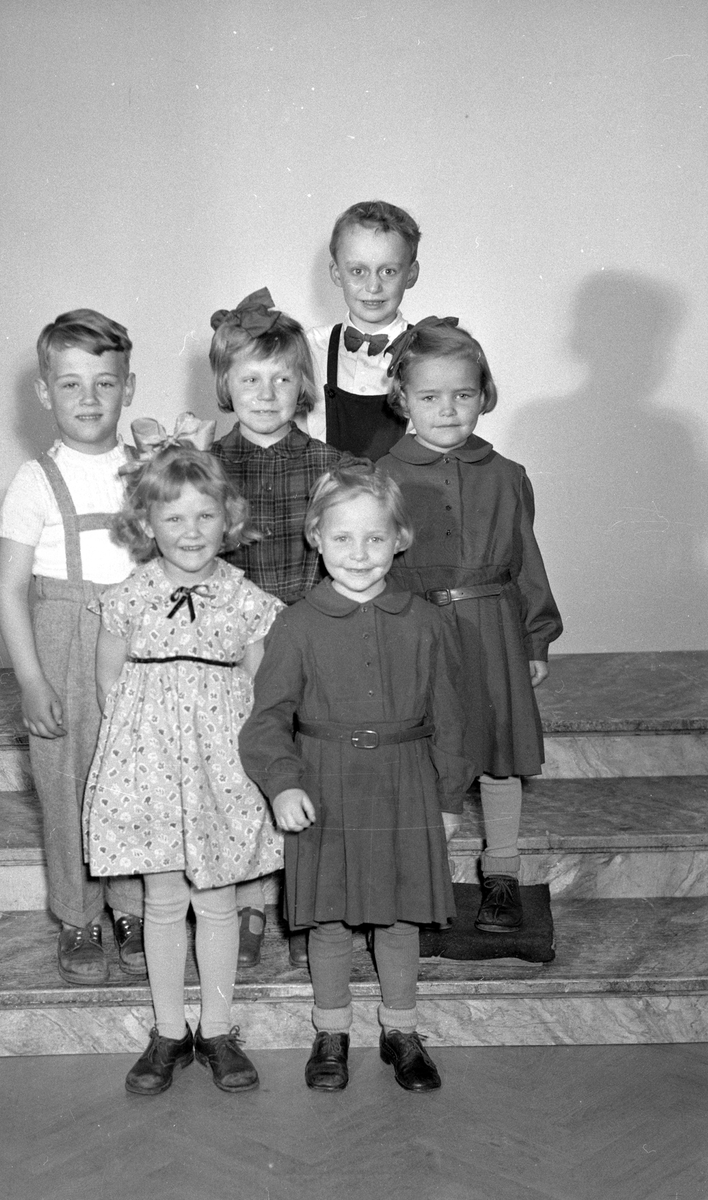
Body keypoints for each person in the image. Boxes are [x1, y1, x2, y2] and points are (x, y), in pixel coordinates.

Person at [239, 462, 474, 1092]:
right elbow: (266, 720)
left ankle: (402, 1031)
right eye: (342, 537)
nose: (359, 553)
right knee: (330, 919)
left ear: (401, 539)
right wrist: (283, 783)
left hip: (406, 784)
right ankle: (331, 1032)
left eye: (375, 537)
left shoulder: (427, 622)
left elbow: (453, 719)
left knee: (400, 918)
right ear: (316, 537)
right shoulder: (295, 624)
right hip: (325, 785)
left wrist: (449, 797)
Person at [84, 442, 284, 1095]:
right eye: (173, 518)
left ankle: (218, 1029)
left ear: (228, 519)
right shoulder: (131, 595)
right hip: (147, 766)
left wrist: (233, 747)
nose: (191, 531)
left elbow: (260, 681)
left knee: (218, 900)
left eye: (205, 516)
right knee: (164, 900)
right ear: (147, 524)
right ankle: (169, 1031)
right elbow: (109, 679)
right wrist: (137, 749)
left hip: (218, 768)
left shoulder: (244, 598)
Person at [377, 317, 563, 933]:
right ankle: (425, 879)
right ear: (402, 399)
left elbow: (525, 561)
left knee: (499, 753)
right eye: (430, 396)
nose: (447, 409)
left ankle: (502, 874)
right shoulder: (380, 476)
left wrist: (536, 637)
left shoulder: (507, 474)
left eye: (463, 394)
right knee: (427, 751)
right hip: (416, 630)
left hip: (493, 630)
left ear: (484, 395)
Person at [0, 309, 144, 987]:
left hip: (137, 642)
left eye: (105, 383)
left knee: (137, 778)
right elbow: (8, 590)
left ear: (128, 388)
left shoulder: (147, 469)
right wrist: (32, 681)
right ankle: (77, 914)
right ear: (44, 391)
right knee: (67, 784)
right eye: (71, 383)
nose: (89, 398)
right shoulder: (34, 481)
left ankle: (133, 907)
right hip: (62, 642)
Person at [208, 287, 342, 969]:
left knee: (306, 770)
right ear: (225, 385)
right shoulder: (204, 467)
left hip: (305, 642)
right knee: (240, 772)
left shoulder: (332, 468)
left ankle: (307, 904)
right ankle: (250, 902)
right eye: (250, 379)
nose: (265, 394)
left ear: (303, 386)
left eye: (281, 379)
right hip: (227, 648)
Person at [304, 200, 421, 460]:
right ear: (337, 273)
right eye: (358, 271)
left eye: (388, 271)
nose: (373, 287)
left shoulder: (426, 352)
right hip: (326, 484)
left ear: (411, 274)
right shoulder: (310, 347)